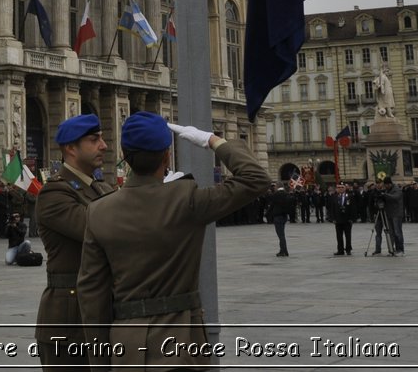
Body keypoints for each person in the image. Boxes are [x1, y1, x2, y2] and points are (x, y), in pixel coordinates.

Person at [76, 113, 269, 367]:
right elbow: (256, 179)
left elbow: (91, 295)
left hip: (126, 347)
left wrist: (101, 362)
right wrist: (213, 140)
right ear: (166, 155)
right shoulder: (187, 200)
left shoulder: (98, 211)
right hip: (181, 344)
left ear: (125, 153)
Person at [34, 113, 116, 370]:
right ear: (71, 148)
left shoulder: (101, 188)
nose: (103, 145)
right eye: (94, 140)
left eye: (101, 139)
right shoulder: (55, 193)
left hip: (104, 312)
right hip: (70, 321)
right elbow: (100, 230)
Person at [267, 183, 294, 257]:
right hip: (284, 216)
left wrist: (268, 214)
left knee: (281, 235)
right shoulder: (286, 194)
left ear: (277, 187)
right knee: (281, 234)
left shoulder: (276, 195)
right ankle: (282, 250)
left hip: (278, 216)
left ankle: (284, 251)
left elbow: (271, 203)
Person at [330, 182, 355, 255]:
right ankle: (340, 250)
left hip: (347, 219)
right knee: (339, 236)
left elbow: (353, 208)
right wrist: (333, 218)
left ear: (345, 188)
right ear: (337, 189)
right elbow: (332, 208)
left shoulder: (350, 196)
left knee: (348, 235)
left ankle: (348, 249)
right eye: (339, 187)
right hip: (338, 219)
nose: (340, 189)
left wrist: (352, 218)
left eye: (342, 187)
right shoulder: (334, 196)